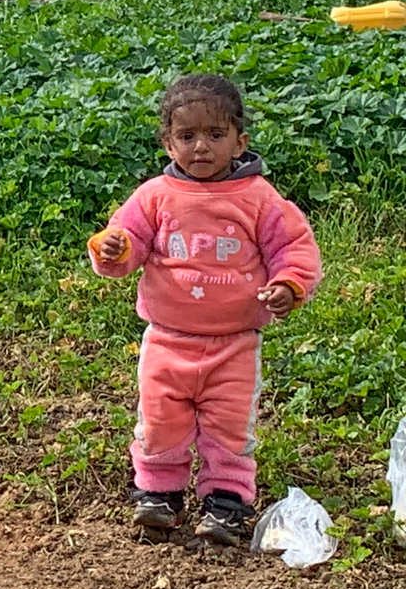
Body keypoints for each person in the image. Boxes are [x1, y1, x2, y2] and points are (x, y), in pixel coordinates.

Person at [88, 73, 322, 546]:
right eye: (187, 135)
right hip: (166, 340)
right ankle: (158, 495)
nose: (201, 147)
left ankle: (227, 503)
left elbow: (294, 249)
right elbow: (126, 242)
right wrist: (111, 247)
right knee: (159, 421)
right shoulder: (154, 195)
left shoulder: (259, 198)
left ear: (240, 141)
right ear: (168, 143)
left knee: (229, 427)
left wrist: (289, 286)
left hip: (234, 344)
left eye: (215, 135)